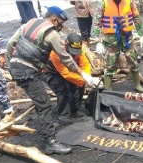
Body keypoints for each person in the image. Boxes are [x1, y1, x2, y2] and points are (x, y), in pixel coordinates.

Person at [6, 6, 100, 155]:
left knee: (42, 102)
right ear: (55, 20)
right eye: (60, 22)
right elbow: (66, 58)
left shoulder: (29, 23)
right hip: (27, 71)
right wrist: (85, 76)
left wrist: (10, 64)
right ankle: (50, 142)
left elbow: (11, 43)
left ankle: (49, 128)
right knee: (44, 105)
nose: (60, 25)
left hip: (20, 68)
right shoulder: (52, 34)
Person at [93, 0, 143, 92]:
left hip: (127, 36)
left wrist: (141, 35)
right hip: (111, 38)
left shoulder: (129, 2)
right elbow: (96, 22)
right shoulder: (103, 3)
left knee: (132, 58)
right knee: (110, 63)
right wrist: (98, 41)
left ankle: (137, 84)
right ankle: (108, 89)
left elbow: (136, 18)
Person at [43, 33, 92, 120]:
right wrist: (82, 79)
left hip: (69, 69)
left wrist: (88, 77)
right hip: (52, 72)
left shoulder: (80, 49)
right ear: (66, 44)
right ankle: (63, 116)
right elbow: (65, 74)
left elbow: (84, 64)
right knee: (62, 89)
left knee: (79, 86)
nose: (75, 53)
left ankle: (74, 110)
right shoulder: (55, 52)